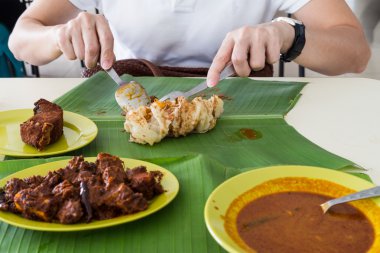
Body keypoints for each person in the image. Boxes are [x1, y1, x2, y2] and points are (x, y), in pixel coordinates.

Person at [9, 0, 370, 86]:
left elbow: (355, 52)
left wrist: (290, 35)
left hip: (242, 107)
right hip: (126, 103)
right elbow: (22, 39)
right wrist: (59, 34)